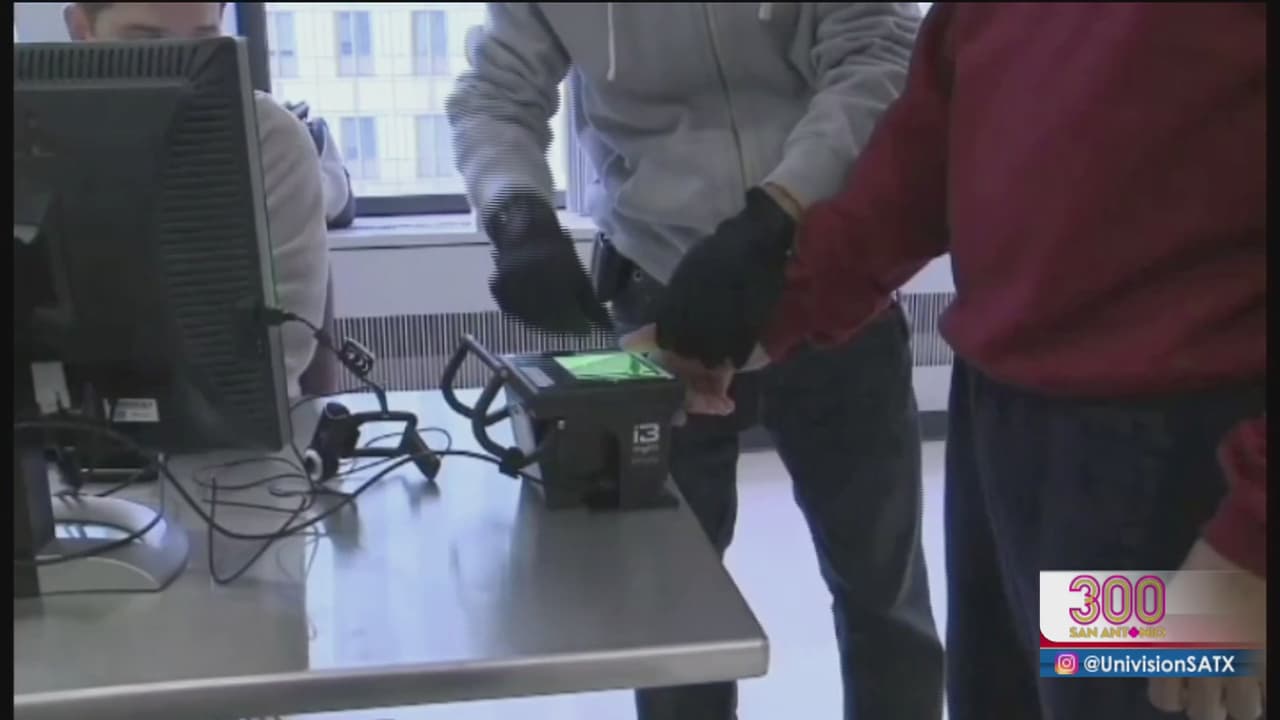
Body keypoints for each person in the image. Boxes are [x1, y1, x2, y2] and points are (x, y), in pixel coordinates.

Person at [655, 4, 1267, 720]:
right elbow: (917, 171)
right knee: (1002, 697)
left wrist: (1254, 539)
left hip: (1177, 466)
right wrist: (745, 322)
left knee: (1137, 701)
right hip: (1003, 440)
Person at [448, 4, 941, 719]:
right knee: (673, 616)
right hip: (660, 300)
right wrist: (514, 209)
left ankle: (1119, 666)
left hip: (829, 284)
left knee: (886, 596)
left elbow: (883, 53)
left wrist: (780, 210)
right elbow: (494, 91)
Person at [65, 2, 331, 398]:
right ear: (81, 29)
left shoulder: (268, 138)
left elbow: (282, 347)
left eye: (203, 43)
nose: (179, 67)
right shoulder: (33, 128)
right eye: (146, 42)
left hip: (228, 419)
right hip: (50, 417)